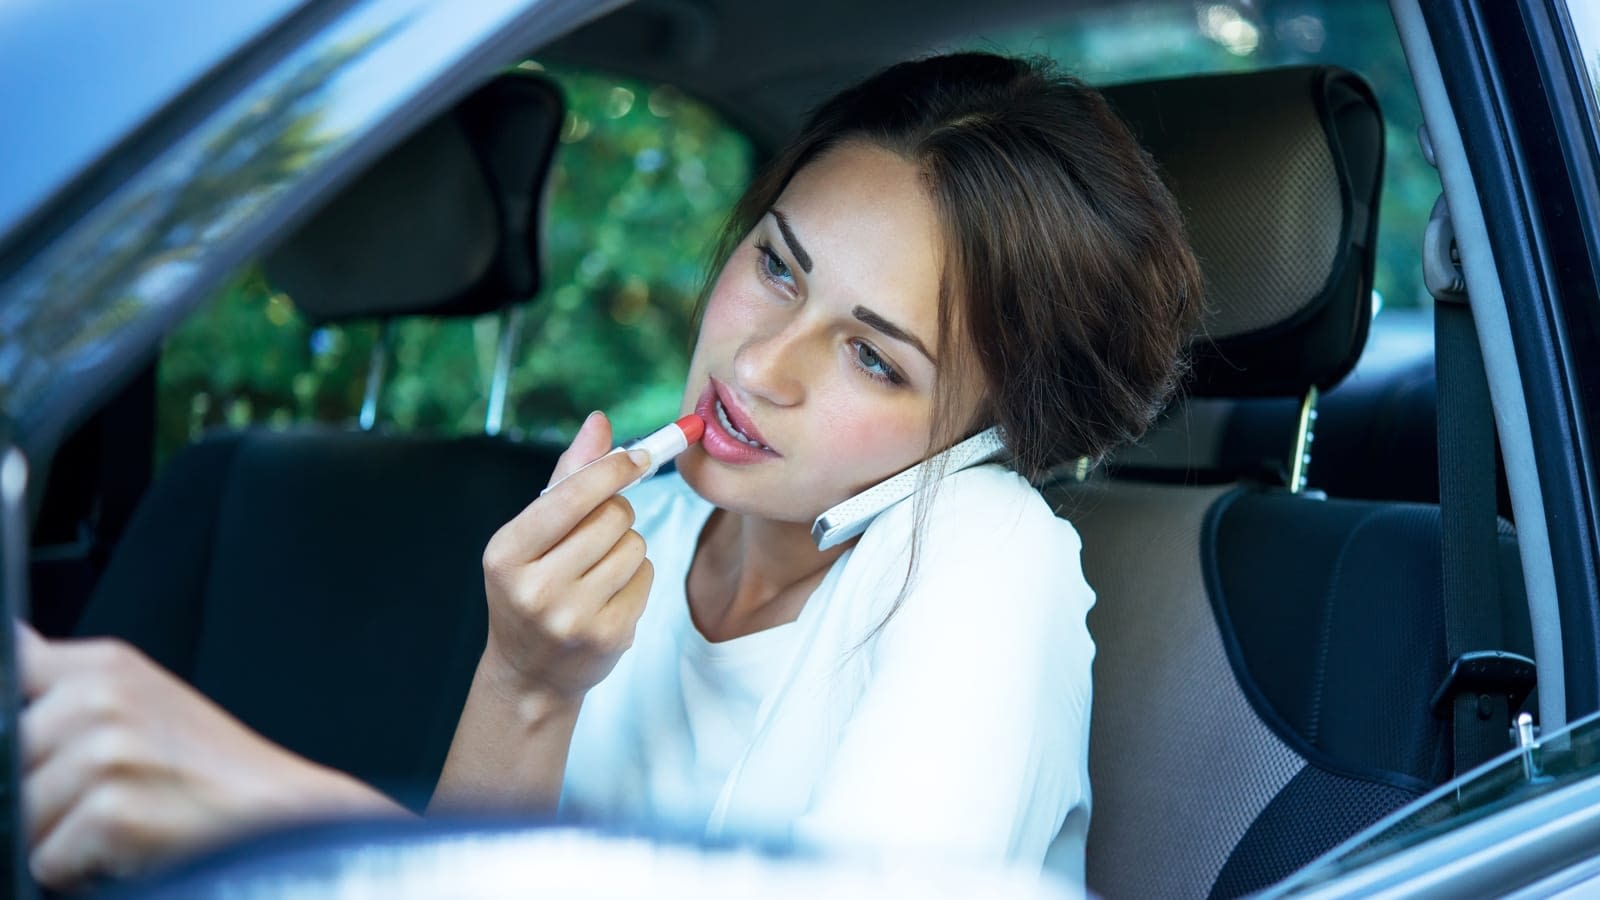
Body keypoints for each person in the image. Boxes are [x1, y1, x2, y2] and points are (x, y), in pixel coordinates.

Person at [19, 52, 1201, 889]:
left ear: (988, 424)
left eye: (873, 358)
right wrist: (525, 677)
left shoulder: (991, 553)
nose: (759, 362)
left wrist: (275, 814)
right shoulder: (656, 516)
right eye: (779, 269)